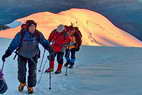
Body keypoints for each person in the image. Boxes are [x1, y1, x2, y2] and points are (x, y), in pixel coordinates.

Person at [1, 20, 53, 94]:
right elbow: (14, 44)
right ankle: (22, 83)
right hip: (22, 55)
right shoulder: (21, 34)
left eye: (34, 27)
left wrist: (50, 49)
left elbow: (44, 42)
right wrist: (7, 53)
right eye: (31, 27)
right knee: (21, 71)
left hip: (33, 55)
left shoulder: (38, 34)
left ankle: (30, 87)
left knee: (32, 72)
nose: (33, 28)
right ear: (27, 27)